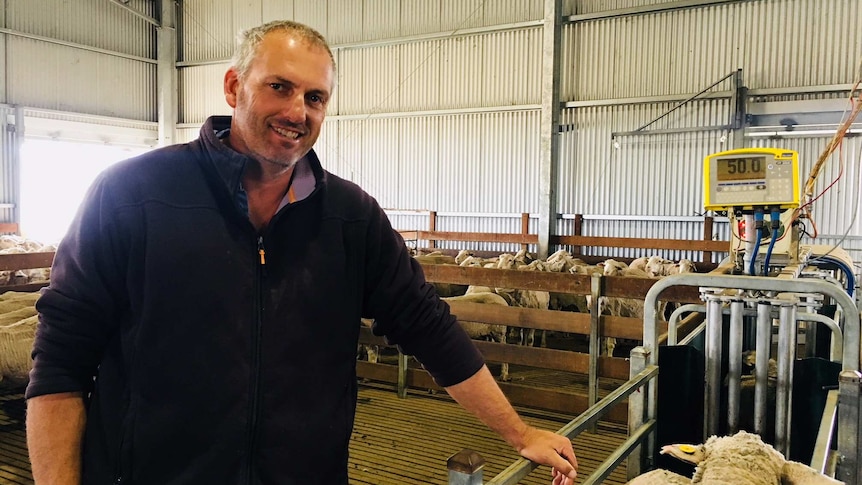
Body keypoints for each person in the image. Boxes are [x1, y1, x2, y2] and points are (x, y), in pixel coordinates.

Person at [25, 20, 579, 485]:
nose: (298, 111)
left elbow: (427, 325)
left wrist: (520, 431)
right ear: (232, 86)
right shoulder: (132, 194)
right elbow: (61, 359)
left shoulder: (350, 216)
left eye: (315, 97)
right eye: (279, 88)